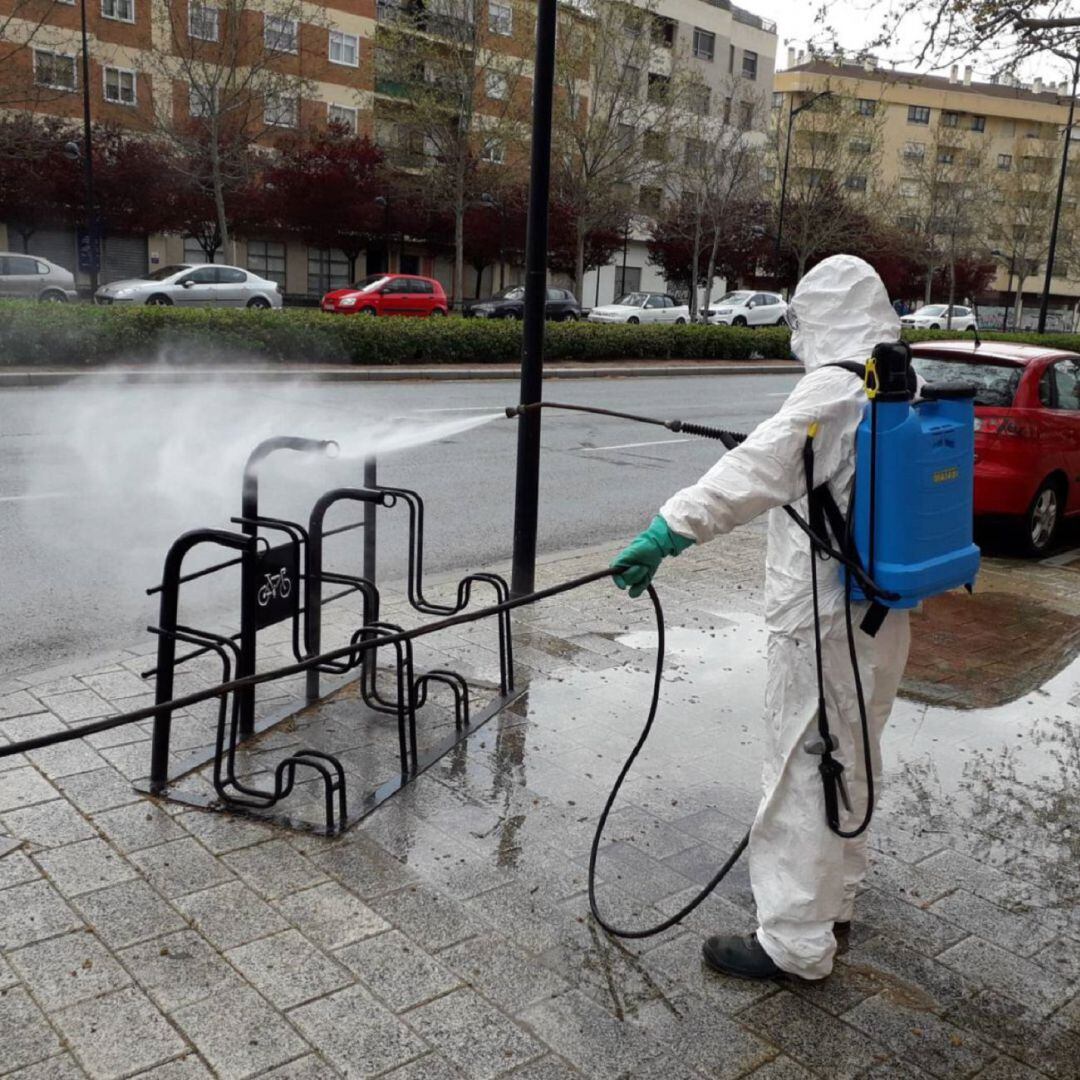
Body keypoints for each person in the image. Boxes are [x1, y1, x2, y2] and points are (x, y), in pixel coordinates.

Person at [611, 254, 911, 981]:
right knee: (854, 753)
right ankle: (836, 895)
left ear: (817, 317)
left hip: (823, 617)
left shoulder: (831, 391)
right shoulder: (900, 378)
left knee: (802, 766)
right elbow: (803, 465)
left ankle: (795, 943)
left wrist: (666, 531)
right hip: (886, 613)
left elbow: (753, 472)